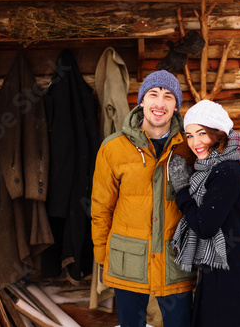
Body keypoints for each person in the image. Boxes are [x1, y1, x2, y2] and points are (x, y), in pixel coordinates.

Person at [91, 70, 196, 327]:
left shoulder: (189, 147)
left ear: (176, 105)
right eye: (153, 94)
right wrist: (105, 257)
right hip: (128, 259)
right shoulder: (113, 148)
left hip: (176, 261)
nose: (159, 103)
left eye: (168, 96)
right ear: (141, 101)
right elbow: (101, 208)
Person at [168, 99, 240, 327]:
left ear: (219, 133)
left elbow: (205, 226)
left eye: (201, 133)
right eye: (189, 135)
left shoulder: (226, 170)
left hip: (230, 277)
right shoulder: (213, 168)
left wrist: (182, 192)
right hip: (219, 268)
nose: (194, 142)